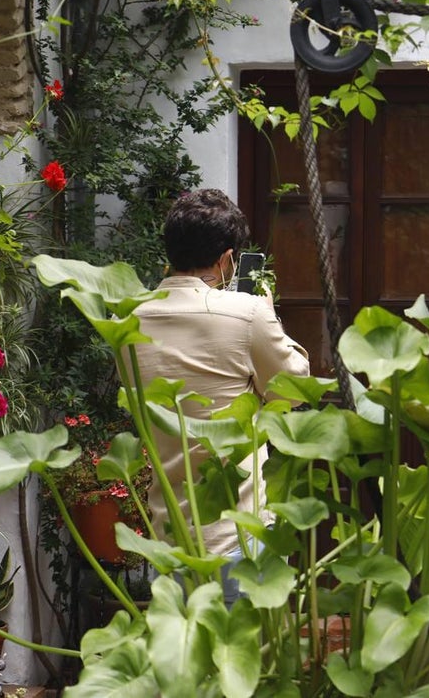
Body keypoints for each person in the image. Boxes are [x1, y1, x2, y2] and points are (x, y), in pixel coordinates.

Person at [131, 188, 311, 601]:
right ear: (227, 259)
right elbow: (294, 389)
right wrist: (267, 314)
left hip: (168, 534)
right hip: (238, 535)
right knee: (249, 660)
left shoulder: (131, 318)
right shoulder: (246, 313)